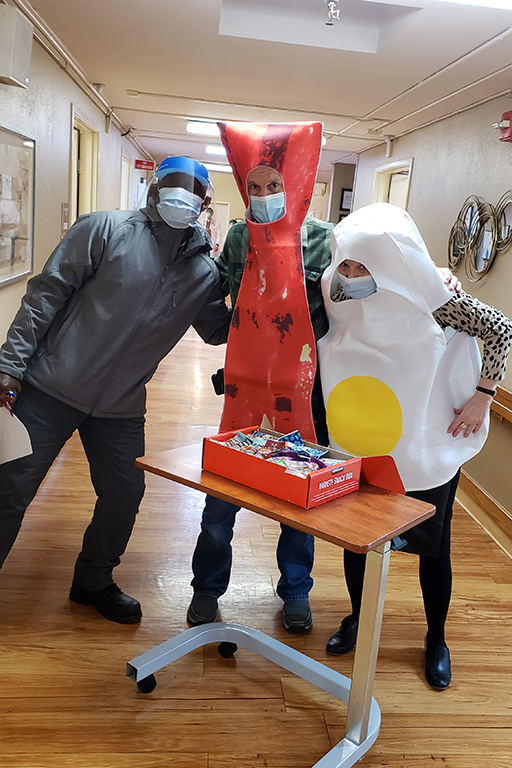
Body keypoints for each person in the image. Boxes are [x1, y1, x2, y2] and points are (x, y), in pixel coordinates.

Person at [0, 156, 231, 625]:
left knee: (125, 494)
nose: (182, 195)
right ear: (154, 189)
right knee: (10, 490)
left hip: (121, 407)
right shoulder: (103, 230)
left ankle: (93, 580)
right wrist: (10, 364)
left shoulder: (205, 273)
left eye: (193, 190)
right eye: (173, 185)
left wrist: (261, 290)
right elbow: (44, 295)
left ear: (205, 203)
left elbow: (218, 330)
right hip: (50, 388)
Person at [318, 203, 512, 689]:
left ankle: (436, 637)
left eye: (365, 265)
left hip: (422, 443)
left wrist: (483, 398)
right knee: (358, 539)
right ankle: (358, 619)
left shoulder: (436, 298)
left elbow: (500, 330)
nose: (352, 274)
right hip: (361, 441)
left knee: (431, 547)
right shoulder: (335, 289)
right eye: (347, 263)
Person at [187, 162, 334, 633]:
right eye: (255, 187)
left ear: (294, 187)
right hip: (247, 387)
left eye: (275, 186)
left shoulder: (326, 239)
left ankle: (295, 590)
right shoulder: (237, 237)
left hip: (304, 391)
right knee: (223, 496)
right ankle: (206, 587)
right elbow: (231, 300)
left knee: (298, 495)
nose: (265, 195)